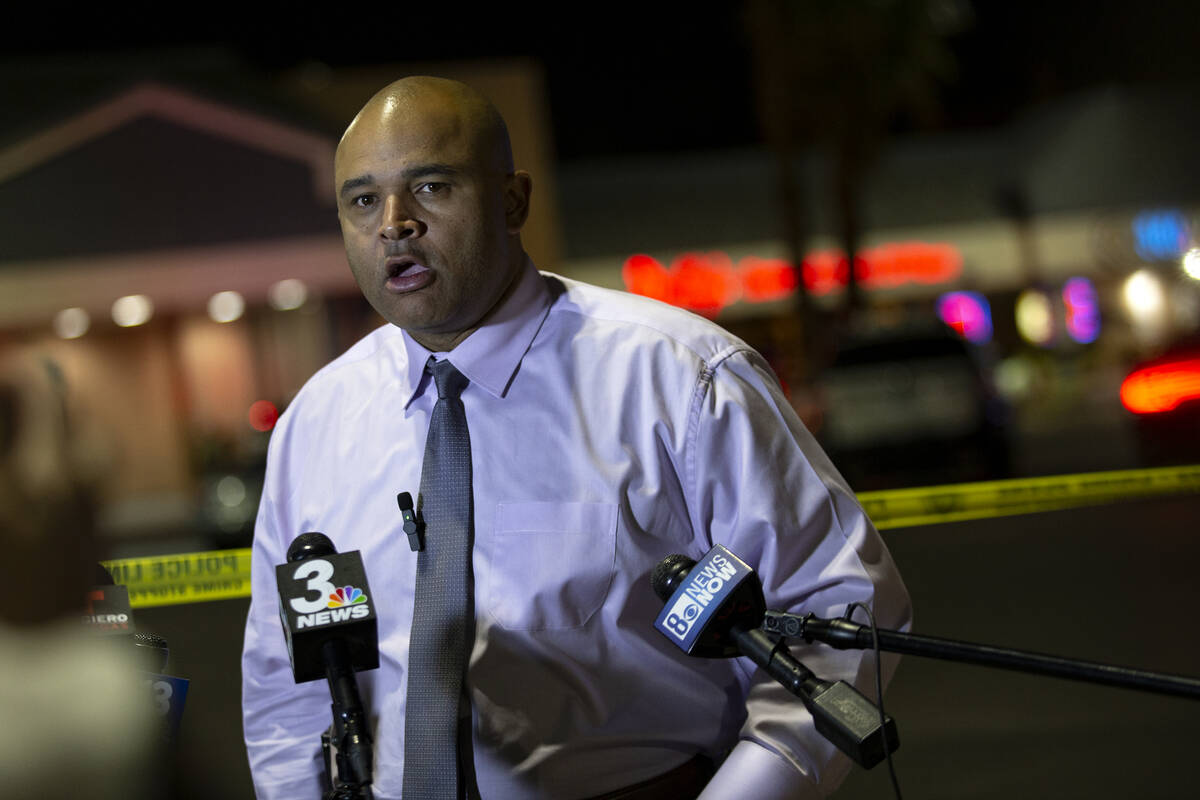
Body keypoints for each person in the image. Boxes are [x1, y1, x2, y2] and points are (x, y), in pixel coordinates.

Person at [241, 76, 911, 800]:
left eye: (431, 187)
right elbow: (284, 680)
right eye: (362, 199)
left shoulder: (679, 378)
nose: (393, 224)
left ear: (512, 200)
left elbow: (840, 605)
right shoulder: (317, 423)